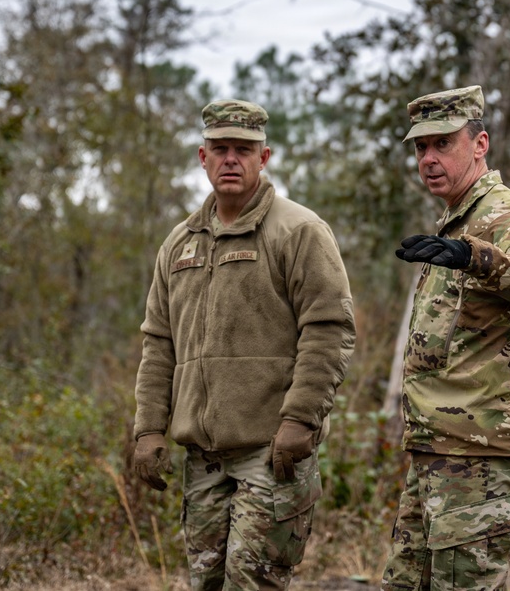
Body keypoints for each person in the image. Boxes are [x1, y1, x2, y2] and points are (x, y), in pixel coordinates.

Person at [131, 98, 356, 591]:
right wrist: (148, 428)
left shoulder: (299, 231)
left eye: (243, 150)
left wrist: (300, 419)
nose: (230, 159)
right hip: (203, 458)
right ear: (202, 157)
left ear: (264, 157)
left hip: (271, 451)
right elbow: (158, 343)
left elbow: (329, 329)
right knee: (207, 584)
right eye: (220, 149)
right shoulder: (178, 244)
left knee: (252, 583)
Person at [382, 85, 510, 590]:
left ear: (480, 144)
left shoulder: (503, 214)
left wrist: (475, 256)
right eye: (421, 147)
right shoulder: (457, 217)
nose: (429, 158)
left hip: (479, 451)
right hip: (439, 447)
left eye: (443, 143)